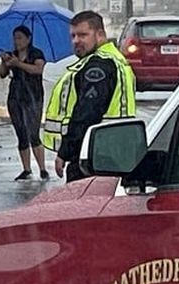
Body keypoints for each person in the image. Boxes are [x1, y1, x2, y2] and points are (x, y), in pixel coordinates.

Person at [41, 10, 135, 181]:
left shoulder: (98, 66)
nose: (76, 41)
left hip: (93, 156)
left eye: (83, 35)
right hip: (113, 154)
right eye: (73, 36)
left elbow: (86, 113)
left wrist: (65, 152)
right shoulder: (115, 59)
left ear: (100, 34)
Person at [0, 25, 48, 181]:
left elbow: (37, 70)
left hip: (33, 96)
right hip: (15, 96)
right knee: (21, 133)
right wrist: (5, 62)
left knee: (33, 133)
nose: (17, 41)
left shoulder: (36, 53)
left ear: (28, 38)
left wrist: (18, 63)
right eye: (15, 38)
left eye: (20, 37)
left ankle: (42, 169)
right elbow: (2, 74)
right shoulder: (12, 54)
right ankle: (26, 169)